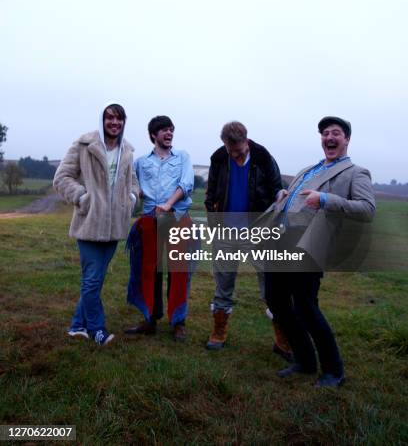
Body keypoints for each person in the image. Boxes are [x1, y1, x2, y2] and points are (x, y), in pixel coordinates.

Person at [264, 116, 376, 387]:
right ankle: (304, 361)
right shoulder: (307, 170)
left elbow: (367, 209)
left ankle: (333, 371)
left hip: (310, 245)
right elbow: (295, 197)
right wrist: (284, 196)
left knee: (305, 307)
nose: (329, 137)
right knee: (276, 301)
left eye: (335, 133)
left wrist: (325, 199)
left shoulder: (355, 172)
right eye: (325, 133)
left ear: (346, 139)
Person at [53, 103, 139, 346]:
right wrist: (82, 197)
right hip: (89, 222)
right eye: (110, 118)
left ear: (124, 122)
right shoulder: (84, 144)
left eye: (119, 118)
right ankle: (97, 329)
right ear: (102, 120)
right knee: (91, 280)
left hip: (114, 227)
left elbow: (133, 182)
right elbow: (61, 177)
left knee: (96, 279)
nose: (114, 123)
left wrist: (130, 199)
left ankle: (76, 325)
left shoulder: (127, 150)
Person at [204, 121, 288, 354]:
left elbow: (276, 188)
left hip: (258, 232)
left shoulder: (263, 156)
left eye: (239, 151)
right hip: (225, 233)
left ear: (246, 141)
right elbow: (211, 194)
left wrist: (281, 195)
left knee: (270, 286)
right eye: (231, 151)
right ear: (224, 144)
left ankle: (283, 339)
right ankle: (218, 333)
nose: (235, 155)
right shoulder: (219, 158)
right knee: (223, 284)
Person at [124, 116, 194, 341]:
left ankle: (178, 322)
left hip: (177, 218)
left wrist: (168, 204)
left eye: (171, 129)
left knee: (178, 272)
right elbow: (133, 187)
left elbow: (187, 184)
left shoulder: (182, 157)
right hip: (149, 219)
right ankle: (150, 318)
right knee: (149, 271)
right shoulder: (142, 162)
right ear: (154, 134)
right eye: (164, 130)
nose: (169, 133)